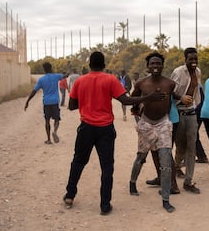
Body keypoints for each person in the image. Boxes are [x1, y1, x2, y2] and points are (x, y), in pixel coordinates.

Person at [63, 51, 166, 215]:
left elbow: (71, 106)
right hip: (105, 129)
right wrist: (148, 97)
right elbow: (125, 100)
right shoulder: (110, 79)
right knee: (107, 167)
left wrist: (87, 99)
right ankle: (105, 205)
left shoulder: (80, 81)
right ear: (104, 65)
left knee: (78, 162)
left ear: (90, 65)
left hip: (86, 128)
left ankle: (70, 195)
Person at [128, 52, 176, 213]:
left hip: (163, 123)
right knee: (141, 156)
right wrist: (148, 98)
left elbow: (173, 97)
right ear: (147, 66)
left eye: (158, 63)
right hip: (146, 123)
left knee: (165, 160)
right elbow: (132, 101)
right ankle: (132, 183)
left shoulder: (170, 83)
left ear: (163, 65)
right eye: (152, 64)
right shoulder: (141, 83)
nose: (155, 66)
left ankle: (166, 199)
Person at [170, 47, 202, 194]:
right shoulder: (178, 72)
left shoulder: (198, 72)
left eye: (195, 59)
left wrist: (196, 105)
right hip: (178, 113)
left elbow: (196, 92)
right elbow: (170, 90)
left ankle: (188, 181)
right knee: (180, 147)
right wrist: (181, 97)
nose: (194, 62)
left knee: (192, 147)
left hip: (191, 113)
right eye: (191, 59)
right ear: (185, 59)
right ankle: (175, 169)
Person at [24, 62, 63, 144]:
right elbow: (66, 75)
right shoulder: (56, 76)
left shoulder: (41, 79)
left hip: (46, 102)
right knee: (57, 119)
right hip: (55, 101)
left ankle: (49, 139)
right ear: (51, 68)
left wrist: (27, 101)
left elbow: (34, 91)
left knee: (47, 120)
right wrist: (68, 68)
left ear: (44, 69)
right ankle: (55, 131)